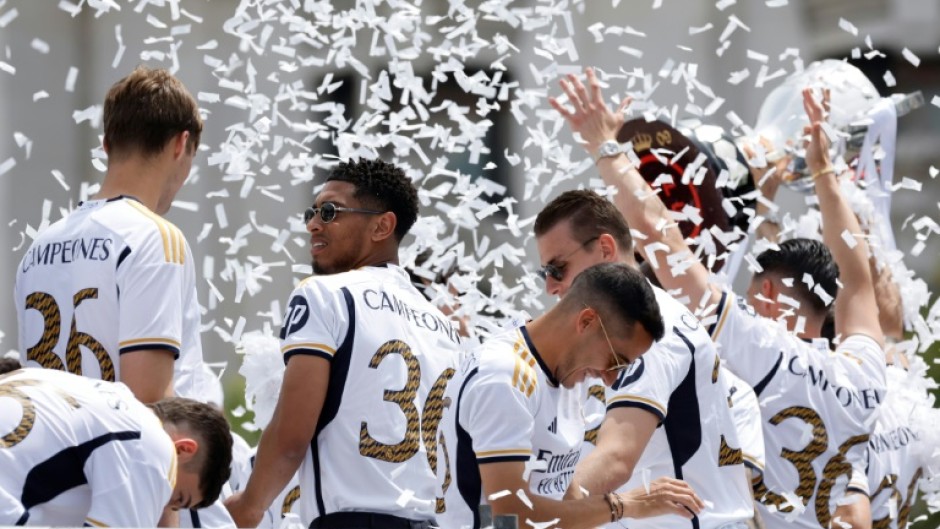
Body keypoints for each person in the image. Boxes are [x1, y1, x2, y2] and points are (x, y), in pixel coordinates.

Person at [550, 68, 886, 529]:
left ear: (770, 294)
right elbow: (859, 279)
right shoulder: (866, 375)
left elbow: (662, 238)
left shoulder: (763, 352)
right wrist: (824, 174)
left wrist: (605, 146)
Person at [224, 158, 463, 529]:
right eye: (312, 212)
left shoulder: (324, 294)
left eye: (330, 212)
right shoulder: (446, 328)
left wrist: (249, 506)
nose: (313, 224)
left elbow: (290, 436)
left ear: (382, 226)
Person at [533, 190, 754, 529]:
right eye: (544, 274)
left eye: (558, 268)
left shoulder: (648, 328)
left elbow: (616, 458)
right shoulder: (603, 327)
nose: (550, 286)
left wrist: (534, 513)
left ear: (605, 249)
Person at [439, 262, 706, 529]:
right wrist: (624, 505)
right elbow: (512, 516)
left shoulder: (565, 375)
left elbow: (564, 493)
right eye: (615, 361)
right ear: (586, 322)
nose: (611, 379)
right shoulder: (503, 374)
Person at [13, 65, 206, 404]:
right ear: (181, 144)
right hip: (123, 439)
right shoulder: (154, 238)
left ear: (106, 145)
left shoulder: (37, 249)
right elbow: (148, 402)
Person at [0, 368, 232, 527]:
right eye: (178, 498)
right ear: (182, 450)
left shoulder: (89, 389)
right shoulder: (151, 445)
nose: (163, 508)